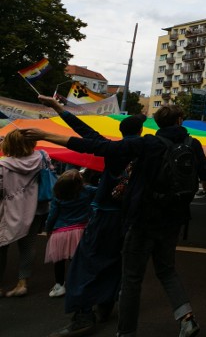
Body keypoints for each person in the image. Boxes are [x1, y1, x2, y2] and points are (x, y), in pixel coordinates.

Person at [25, 105, 206, 337]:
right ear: (180, 120)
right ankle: (186, 319)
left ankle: (123, 331)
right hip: (173, 219)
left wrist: (46, 134)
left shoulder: (146, 145)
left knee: (128, 277)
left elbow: (93, 143)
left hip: (138, 220)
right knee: (166, 270)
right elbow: (204, 174)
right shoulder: (192, 145)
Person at [37, 94, 141, 337]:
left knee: (84, 265)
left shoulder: (114, 150)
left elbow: (84, 133)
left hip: (105, 216)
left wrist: (57, 110)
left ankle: (82, 314)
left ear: (121, 131)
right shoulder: (147, 152)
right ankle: (105, 305)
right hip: (128, 219)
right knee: (115, 262)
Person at [0, 129, 52, 298]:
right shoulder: (42, 157)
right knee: (28, 246)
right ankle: (22, 283)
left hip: (7, 211)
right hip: (35, 208)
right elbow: (50, 174)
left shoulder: (3, 165)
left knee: (2, 246)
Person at [45, 170, 96, 299]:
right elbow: (101, 190)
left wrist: (48, 229)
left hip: (60, 232)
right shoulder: (86, 191)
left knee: (59, 261)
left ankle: (59, 285)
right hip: (80, 230)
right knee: (77, 260)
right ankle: (79, 283)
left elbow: (52, 216)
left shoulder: (58, 196)